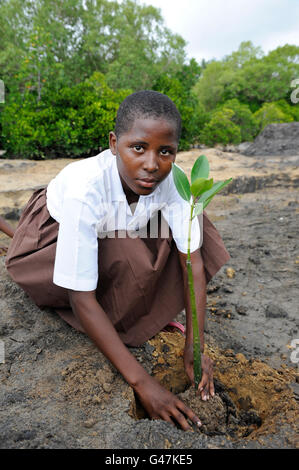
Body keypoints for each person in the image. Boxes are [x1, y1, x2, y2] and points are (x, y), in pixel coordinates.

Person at [5, 90, 230, 431]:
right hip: (47, 236)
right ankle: (14, 237)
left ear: (175, 152)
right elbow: (79, 297)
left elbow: (193, 263)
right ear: (114, 143)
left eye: (165, 151)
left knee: (194, 220)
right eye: (138, 147)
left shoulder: (172, 180)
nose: (152, 165)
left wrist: (195, 347)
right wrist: (143, 383)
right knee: (120, 256)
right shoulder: (87, 188)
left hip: (121, 228)